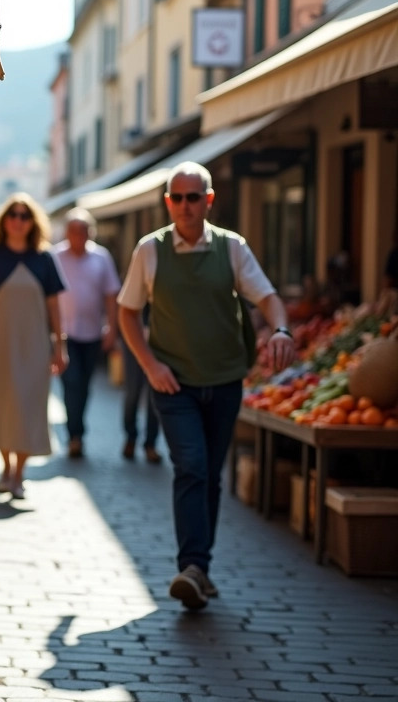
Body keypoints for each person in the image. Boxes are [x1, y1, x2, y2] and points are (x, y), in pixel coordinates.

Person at [118, 161, 296, 611]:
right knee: (192, 466)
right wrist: (150, 364)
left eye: (193, 197)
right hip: (173, 383)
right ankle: (192, 566)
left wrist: (280, 330)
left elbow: (268, 297)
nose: (184, 206)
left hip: (225, 379)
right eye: (176, 198)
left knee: (210, 476)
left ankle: (201, 570)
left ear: (208, 200)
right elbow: (127, 313)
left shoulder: (232, 248)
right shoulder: (149, 250)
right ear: (167, 203)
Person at [0, 194, 67, 499]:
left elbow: (55, 306)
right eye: (13, 215)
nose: (18, 221)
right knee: (0, 405)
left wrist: (61, 345)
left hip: (35, 345)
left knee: (29, 407)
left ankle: (19, 473)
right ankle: (6, 466)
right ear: (4, 220)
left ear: (33, 222)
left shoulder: (44, 258)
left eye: (24, 216)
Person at [52, 209, 121, 458]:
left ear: (90, 233)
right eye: (74, 230)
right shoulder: (55, 256)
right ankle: (75, 434)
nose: (78, 235)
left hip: (92, 333)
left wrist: (112, 328)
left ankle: (77, 429)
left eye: (83, 231)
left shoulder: (101, 257)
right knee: (71, 382)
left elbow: (111, 295)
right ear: (66, 233)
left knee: (84, 384)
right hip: (63, 333)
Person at [121, 308, 161, 463]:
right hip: (135, 339)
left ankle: (151, 443)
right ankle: (130, 437)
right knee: (132, 391)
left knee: (155, 394)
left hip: (159, 342)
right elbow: (126, 308)